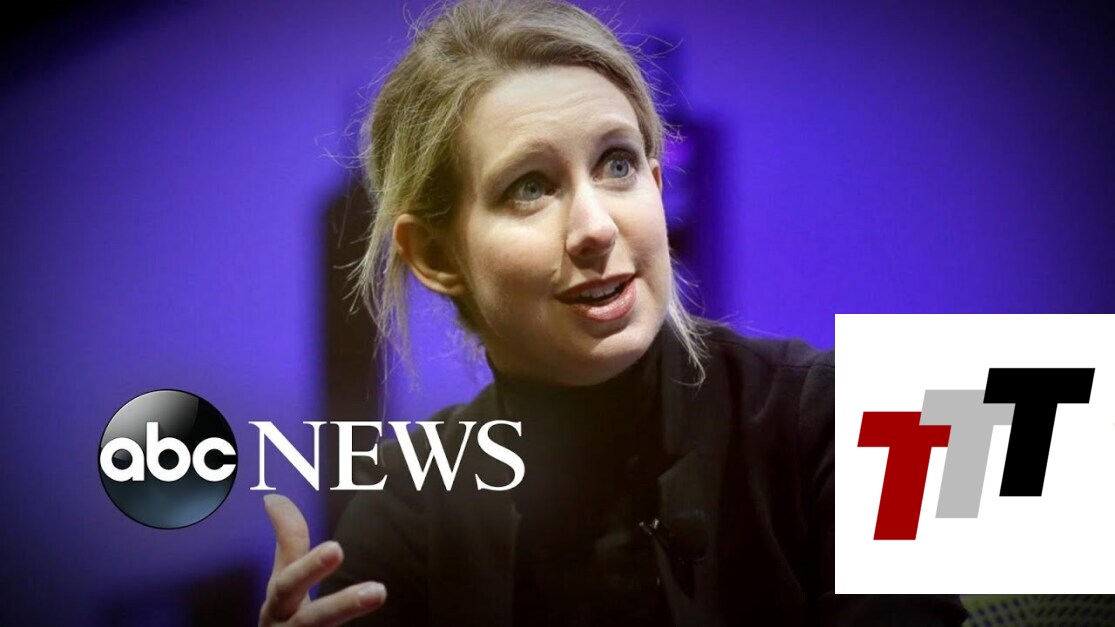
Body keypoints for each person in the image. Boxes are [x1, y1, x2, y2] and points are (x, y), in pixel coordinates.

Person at [259, 1, 968, 625]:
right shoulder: (406, 505)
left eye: (618, 165)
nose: (596, 227)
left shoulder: (850, 415)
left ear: (657, 185)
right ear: (436, 255)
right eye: (530, 186)